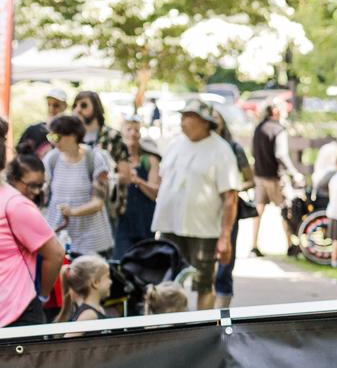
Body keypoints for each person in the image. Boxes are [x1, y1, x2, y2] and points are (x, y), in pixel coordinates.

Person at [151, 98, 239, 310]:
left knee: (203, 283)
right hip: (170, 226)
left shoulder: (221, 150)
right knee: (167, 281)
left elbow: (230, 196)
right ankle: (169, 327)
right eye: (182, 117)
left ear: (203, 121)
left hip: (203, 230)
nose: (182, 122)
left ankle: (202, 329)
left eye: (188, 117)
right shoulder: (175, 145)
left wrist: (225, 236)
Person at [1, 148, 63, 329]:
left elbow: (56, 254)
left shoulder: (16, 205)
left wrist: (42, 295)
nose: (36, 191)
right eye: (31, 185)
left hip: (18, 314)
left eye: (40, 185)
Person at [42, 113, 114, 257]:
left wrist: (73, 212)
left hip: (92, 241)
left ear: (73, 136)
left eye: (57, 137)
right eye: (50, 137)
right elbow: (43, 193)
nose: (53, 142)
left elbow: (98, 202)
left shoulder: (94, 158)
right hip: (58, 237)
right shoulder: (52, 158)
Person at [210, 105, 253, 308]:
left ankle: (222, 310)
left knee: (226, 261)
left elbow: (250, 179)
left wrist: (231, 188)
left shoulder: (234, 149)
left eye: (216, 117)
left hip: (229, 208)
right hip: (206, 211)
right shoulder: (203, 149)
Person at [250, 100, 301, 257]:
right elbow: (281, 154)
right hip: (275, 177)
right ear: (275, 112)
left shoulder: (258, 128)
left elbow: (252, 151)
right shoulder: (279, 130)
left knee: (258, 211)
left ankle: (254, 245)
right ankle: (290, 244)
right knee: (285, 209)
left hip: (259, 176)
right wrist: (294, 173)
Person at [111, 117, 161, 255]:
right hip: (121, 221)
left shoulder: (150, 160)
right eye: (129, 129)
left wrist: (137, 180)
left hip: (144, 220)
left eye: (136, 130)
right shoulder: (112, 159)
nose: (133, 133)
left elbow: (155, 192)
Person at [74, 90, 128, 164]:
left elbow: (123, 172)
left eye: (83, 105)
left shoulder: (113, 136)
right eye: (75, 106)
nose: (77, 110)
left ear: (96, 108)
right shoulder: (71, 136)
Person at [56, 253, 109, 325]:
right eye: (107, 277)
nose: (110, 282)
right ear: (95, 282)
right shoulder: (88, 315)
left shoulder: (96, 310)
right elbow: (69, 335)